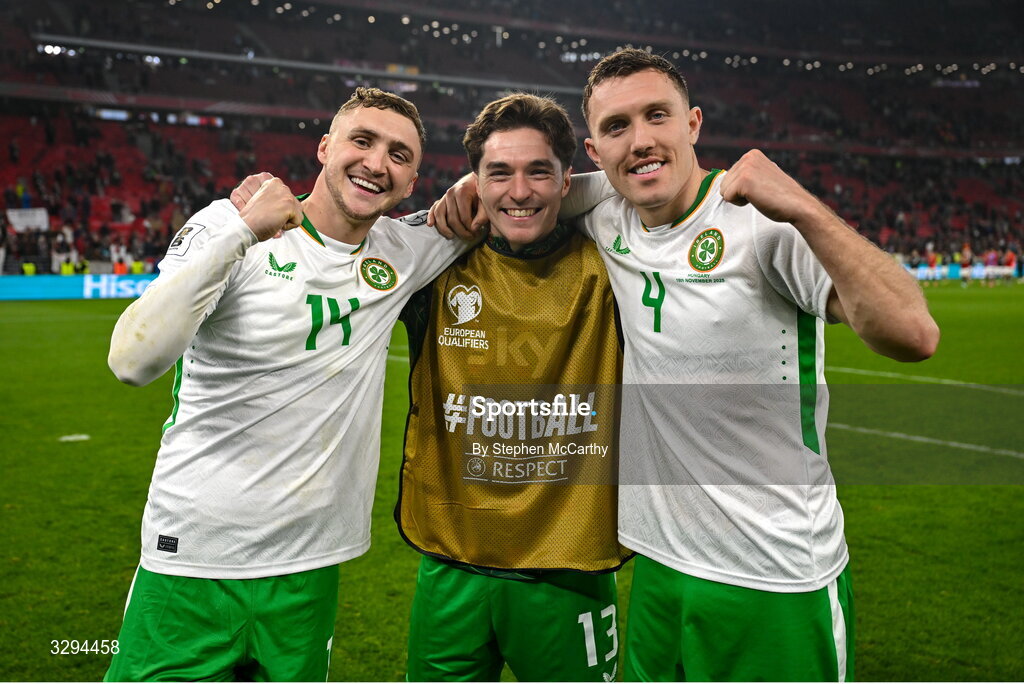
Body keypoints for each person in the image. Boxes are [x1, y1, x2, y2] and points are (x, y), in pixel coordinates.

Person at [573, 49, 939, 681]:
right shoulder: (606, 213)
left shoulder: (762, 224)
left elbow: (913, 333)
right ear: (593, 151)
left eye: (656, 115)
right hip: (660, 565)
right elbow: (520, 190)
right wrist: (471, 190)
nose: (639, 141)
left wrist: (802, 205)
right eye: (616, 127)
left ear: (692, 125)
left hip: (773, 572)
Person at [105, 87, 471, 681]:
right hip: (194, 559)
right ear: (325, 147)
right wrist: (244, 230)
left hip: (310, 567)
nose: (377, 163)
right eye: (362, 140)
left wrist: (472, 187)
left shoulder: (405, 251)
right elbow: (132, 361)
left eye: (399, 156)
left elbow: (528, 193)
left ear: (411, 182)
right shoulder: (231, 225)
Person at [397, 93, 628, 682]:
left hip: (568, 570)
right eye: (498, 173)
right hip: (450, 570)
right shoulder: (434, 264)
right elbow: (341, 238)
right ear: (473, 180)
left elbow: (661, 187)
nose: (519, 192)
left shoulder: (618, 266)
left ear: (567, 180)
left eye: (538, 172)